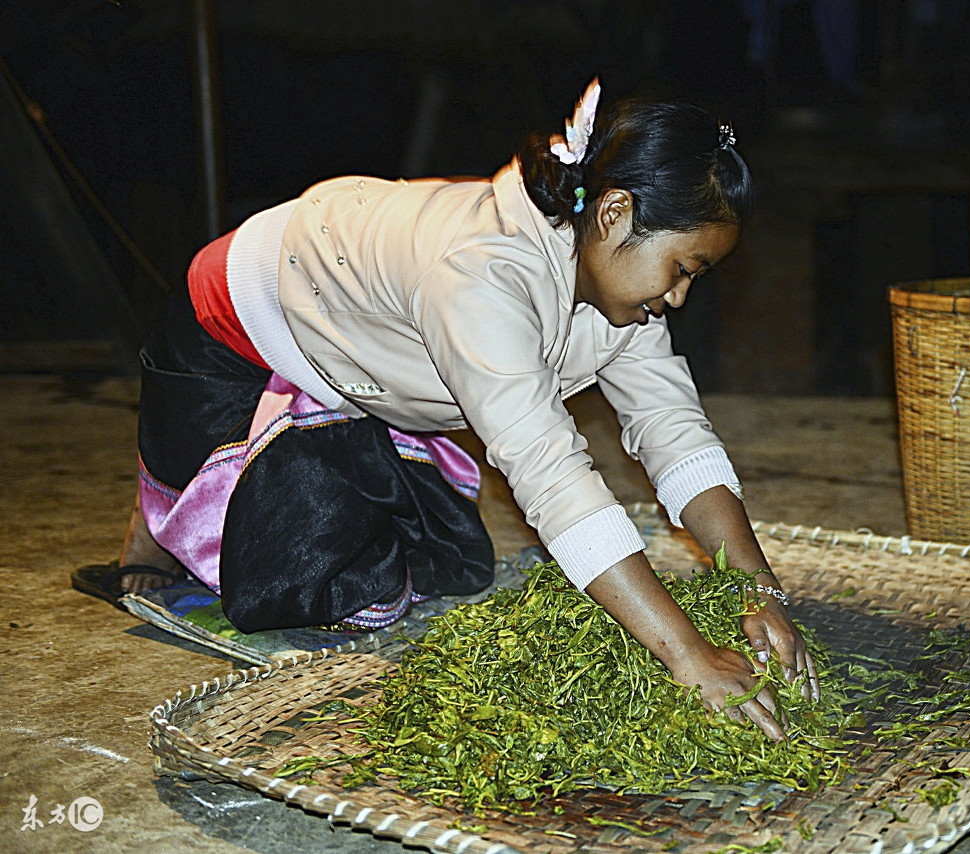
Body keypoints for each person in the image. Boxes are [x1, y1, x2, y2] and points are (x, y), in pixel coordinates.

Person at [76, 79, 817, 740]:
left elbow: (674, 430)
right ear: (616, 213)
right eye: (683, 269)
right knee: (318, 581)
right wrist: (686, 654)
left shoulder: (622, 287)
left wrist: (758, 588)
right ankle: (171, 501)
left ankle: (295, 452)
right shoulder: (482, 274)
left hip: (361, 371)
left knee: (451, 561)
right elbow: (553, 475)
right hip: (230, 339)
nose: (680, 296)